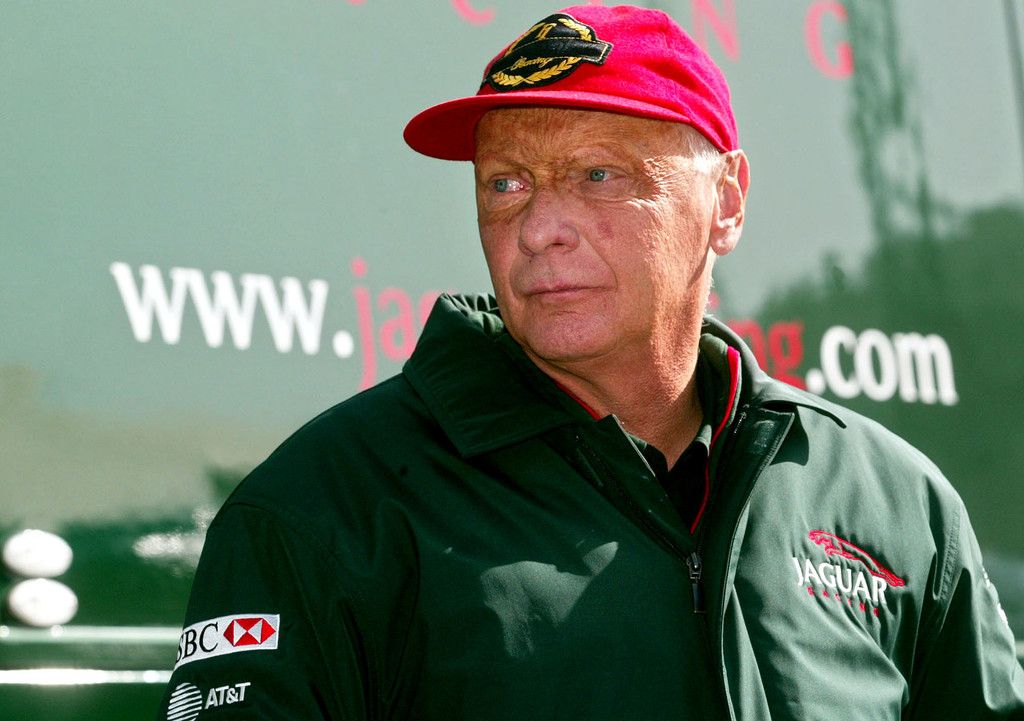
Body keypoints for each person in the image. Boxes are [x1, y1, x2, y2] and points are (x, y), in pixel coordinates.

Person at [157, 5, 1024, 720]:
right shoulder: (322, 509)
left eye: (599, 175)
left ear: (725, 202)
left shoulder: (895, 507)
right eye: (505, 183)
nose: (539, 228)